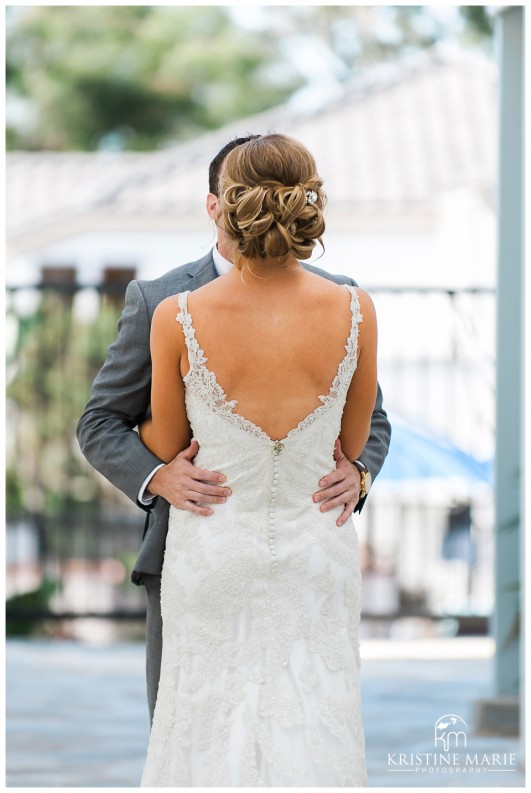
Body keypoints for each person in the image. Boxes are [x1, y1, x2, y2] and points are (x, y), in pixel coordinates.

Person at [76, 133, 391, 747]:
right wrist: (156, 475)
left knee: (288, 727)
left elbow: (372, 424)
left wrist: (360, 475)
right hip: (193, 542)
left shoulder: (341, 295)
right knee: (202, 729)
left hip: (294, 542)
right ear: (211, 205)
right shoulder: (159, 299)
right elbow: (98, 422)